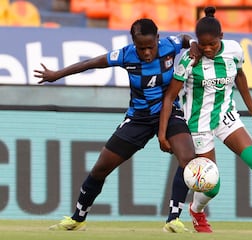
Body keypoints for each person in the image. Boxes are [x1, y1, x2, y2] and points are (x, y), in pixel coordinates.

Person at [34, 18, 200, 231]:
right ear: (133, 43)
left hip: (169, 114)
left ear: (158, 39)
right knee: (100, 168)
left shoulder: (170, 45)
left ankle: (173, 220)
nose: (147, 52)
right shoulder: (124, 55)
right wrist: (56, 74)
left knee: (188, 159)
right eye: (141, 48)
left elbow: (186, 39)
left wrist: (194, 43)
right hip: (138, 118)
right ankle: (78, 218)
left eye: (151, 47)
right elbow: (90, 63)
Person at [158, 6, 252, 233]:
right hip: (198, 125)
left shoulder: (234, 50)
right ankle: (197, 210)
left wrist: (251, 107)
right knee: (212, 186)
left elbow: (239, 75)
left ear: (221, 37)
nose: (208, 49)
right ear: (197, 42)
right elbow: (170, 96)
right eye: (203, 45)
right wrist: (162, 134)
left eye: (212, 44)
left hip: (227, 116)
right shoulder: (188, 60)